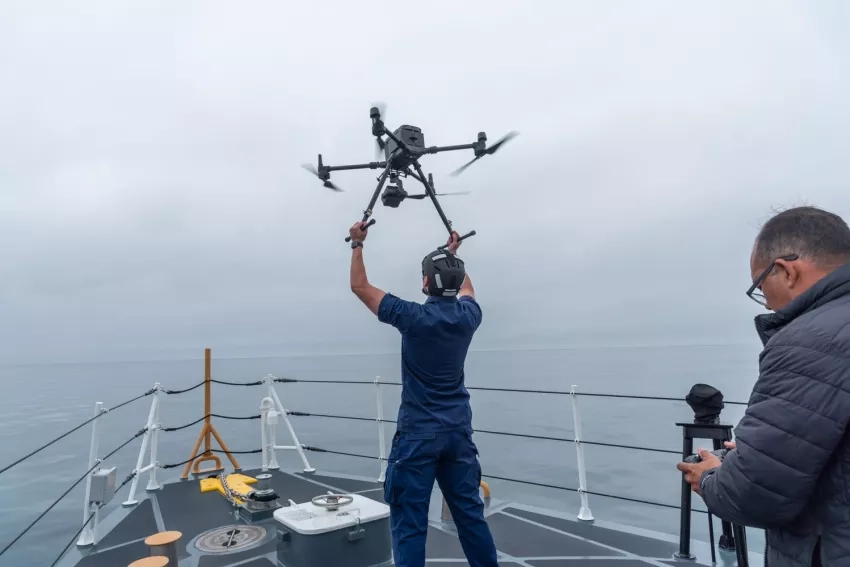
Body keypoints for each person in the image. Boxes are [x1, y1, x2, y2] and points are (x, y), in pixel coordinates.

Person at [677, 206, 850, 567]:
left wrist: (710, 477)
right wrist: (759, 452)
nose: (766, 302)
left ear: (786, 271)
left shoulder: (810, 340)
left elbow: (755, 494)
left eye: (760, 286)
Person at [347, 221, 498, 567]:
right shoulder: (468, 317)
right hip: (458, 434)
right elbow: (466, 290)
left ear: (426, 282)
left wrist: (357, 244)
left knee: (410, 523)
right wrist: (452, 258)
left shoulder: (412, 317)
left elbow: (359, 286)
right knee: (471, 518)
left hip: (418, 436)